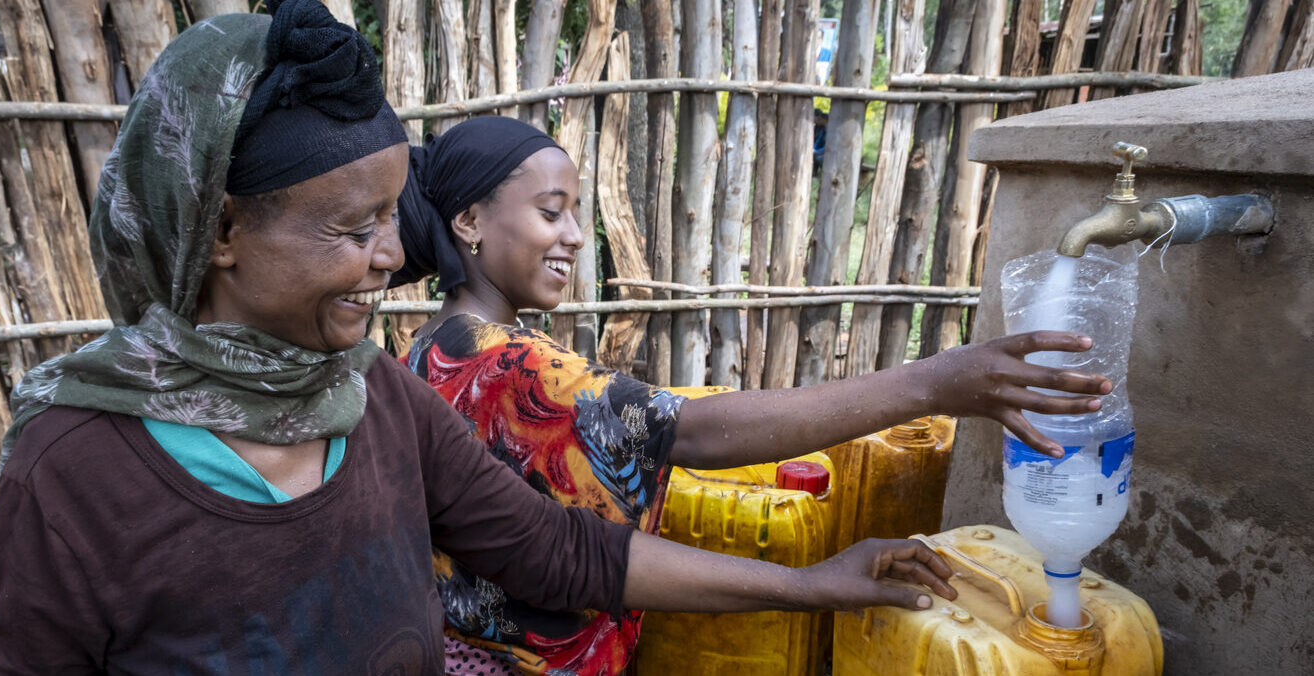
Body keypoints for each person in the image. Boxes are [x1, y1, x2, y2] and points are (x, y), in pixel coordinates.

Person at [0, 5, 959, 674]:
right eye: (349, 227)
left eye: (386, 218)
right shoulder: (79, 463)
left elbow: (560, 553)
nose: (387, 255)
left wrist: (808, 587)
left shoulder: (377, 400)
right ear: (222, 229)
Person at [394, 116, 1113, 675]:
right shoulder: (508, 359)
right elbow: (696, 431)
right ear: (469, 222)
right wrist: (933, 383)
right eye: (552, 213)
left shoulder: (429, 348)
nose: (577, 236)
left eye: (578, 212)